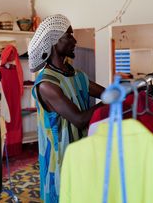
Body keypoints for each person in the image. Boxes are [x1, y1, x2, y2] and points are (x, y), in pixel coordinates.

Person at [28, 14, 105, 203]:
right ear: (54, 42)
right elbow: (78, 119)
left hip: (83, 150)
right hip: (61, 157)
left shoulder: (77, 75)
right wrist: (113, 98)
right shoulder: (47, 84)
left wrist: (132, 89)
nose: (74, 40)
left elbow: (106, 93)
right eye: (68, 36)